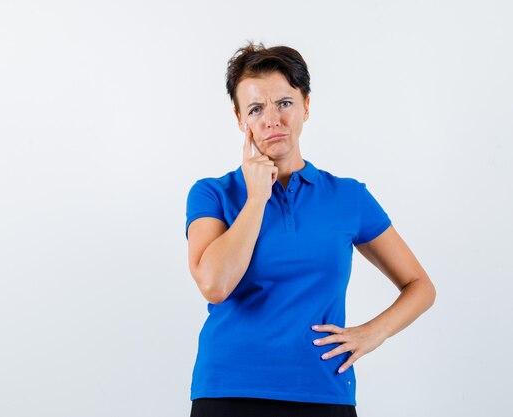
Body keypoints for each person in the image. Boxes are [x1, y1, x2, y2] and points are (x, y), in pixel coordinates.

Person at [185, 42, 437, 417]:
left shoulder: (348, 197)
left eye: (284, 103)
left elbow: (420, 286)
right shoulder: (212, 193)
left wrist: (372, 333)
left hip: (323, 392)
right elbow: (215, 285)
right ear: (241, 120)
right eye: (256, 109)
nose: (272, 119)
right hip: (228, 391)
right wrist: (256, 198)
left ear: (306, 106)